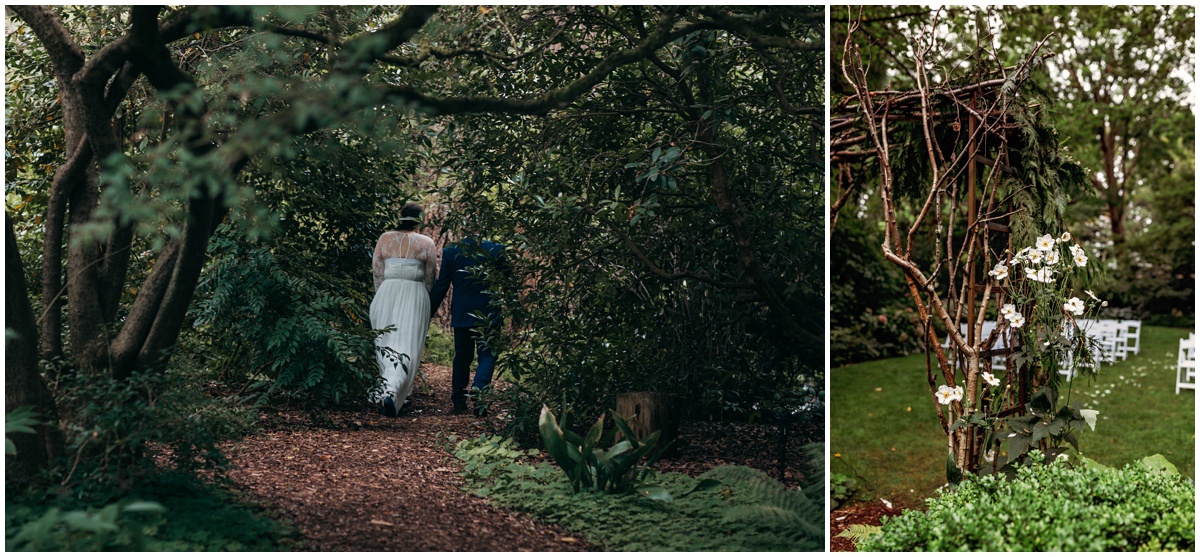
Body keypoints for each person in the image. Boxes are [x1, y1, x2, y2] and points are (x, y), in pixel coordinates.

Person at [429, 235, 509, 415]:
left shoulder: (452, 251)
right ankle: (480, 392)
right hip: (489, 311)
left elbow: (442, 285)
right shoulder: (496, 249)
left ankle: (458, 400)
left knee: (462, 356)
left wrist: (429, 311)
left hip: (462, 311)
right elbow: (509, 283)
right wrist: (515, 307)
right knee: (487, 355)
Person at [370, 203, 437, 417]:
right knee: (408, 344)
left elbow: (377, 272)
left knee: (386, 341)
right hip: (415, 294)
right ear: (419, 220)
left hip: (387, 293)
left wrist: (382, 294)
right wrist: (423, 298)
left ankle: (388, 391)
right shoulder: (427, 242)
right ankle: (396, 393)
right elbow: (430, 277)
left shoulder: (385, 238)